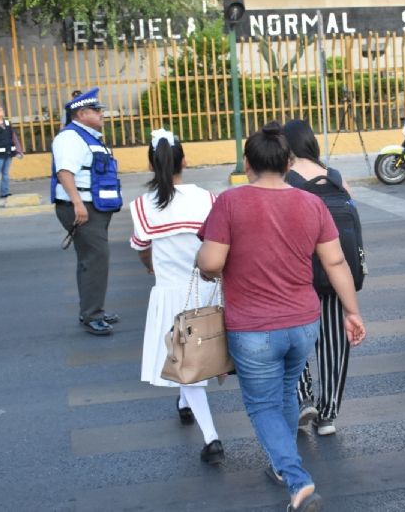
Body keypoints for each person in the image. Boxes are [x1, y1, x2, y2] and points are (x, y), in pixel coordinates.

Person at [196, 121, 367, 512]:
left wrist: (204, 261)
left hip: (254, 329)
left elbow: (211, 261)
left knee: (262, 406)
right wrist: (352, 312)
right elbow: (336, 261)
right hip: (303, 324)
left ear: (246, 162)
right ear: (289, 162)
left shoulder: (230, 202)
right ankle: (282, 466)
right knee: (286, 392)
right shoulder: (312, 204)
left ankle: (297, 479)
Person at [129, 128, 224, 464]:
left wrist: (152, 267)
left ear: (153, 164)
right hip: (208, 288)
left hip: (171, 294)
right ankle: (185, 405)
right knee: (197, 358)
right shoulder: (208, 198)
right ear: (184, 160)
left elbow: (142, 249)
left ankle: (211, 436)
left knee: (184, 363)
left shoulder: (143, 206)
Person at [283, 119, 354, 437]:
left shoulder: (288, 180)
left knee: (292, 339)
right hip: (335, 273)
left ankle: (302, 399)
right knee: (334, 343)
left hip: (298, 274)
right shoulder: (337, 178)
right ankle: (328, 415)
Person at [52, 87, 121, 335]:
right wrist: (78, 203)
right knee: (96, 260)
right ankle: (93, 315)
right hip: (82, 207)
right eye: (97, 110)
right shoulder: (70, 138)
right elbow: (64, 172)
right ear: (81, 113)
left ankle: (91, 311)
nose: (102, 114)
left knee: (90, 260)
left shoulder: (87, 137)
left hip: (95, 206)